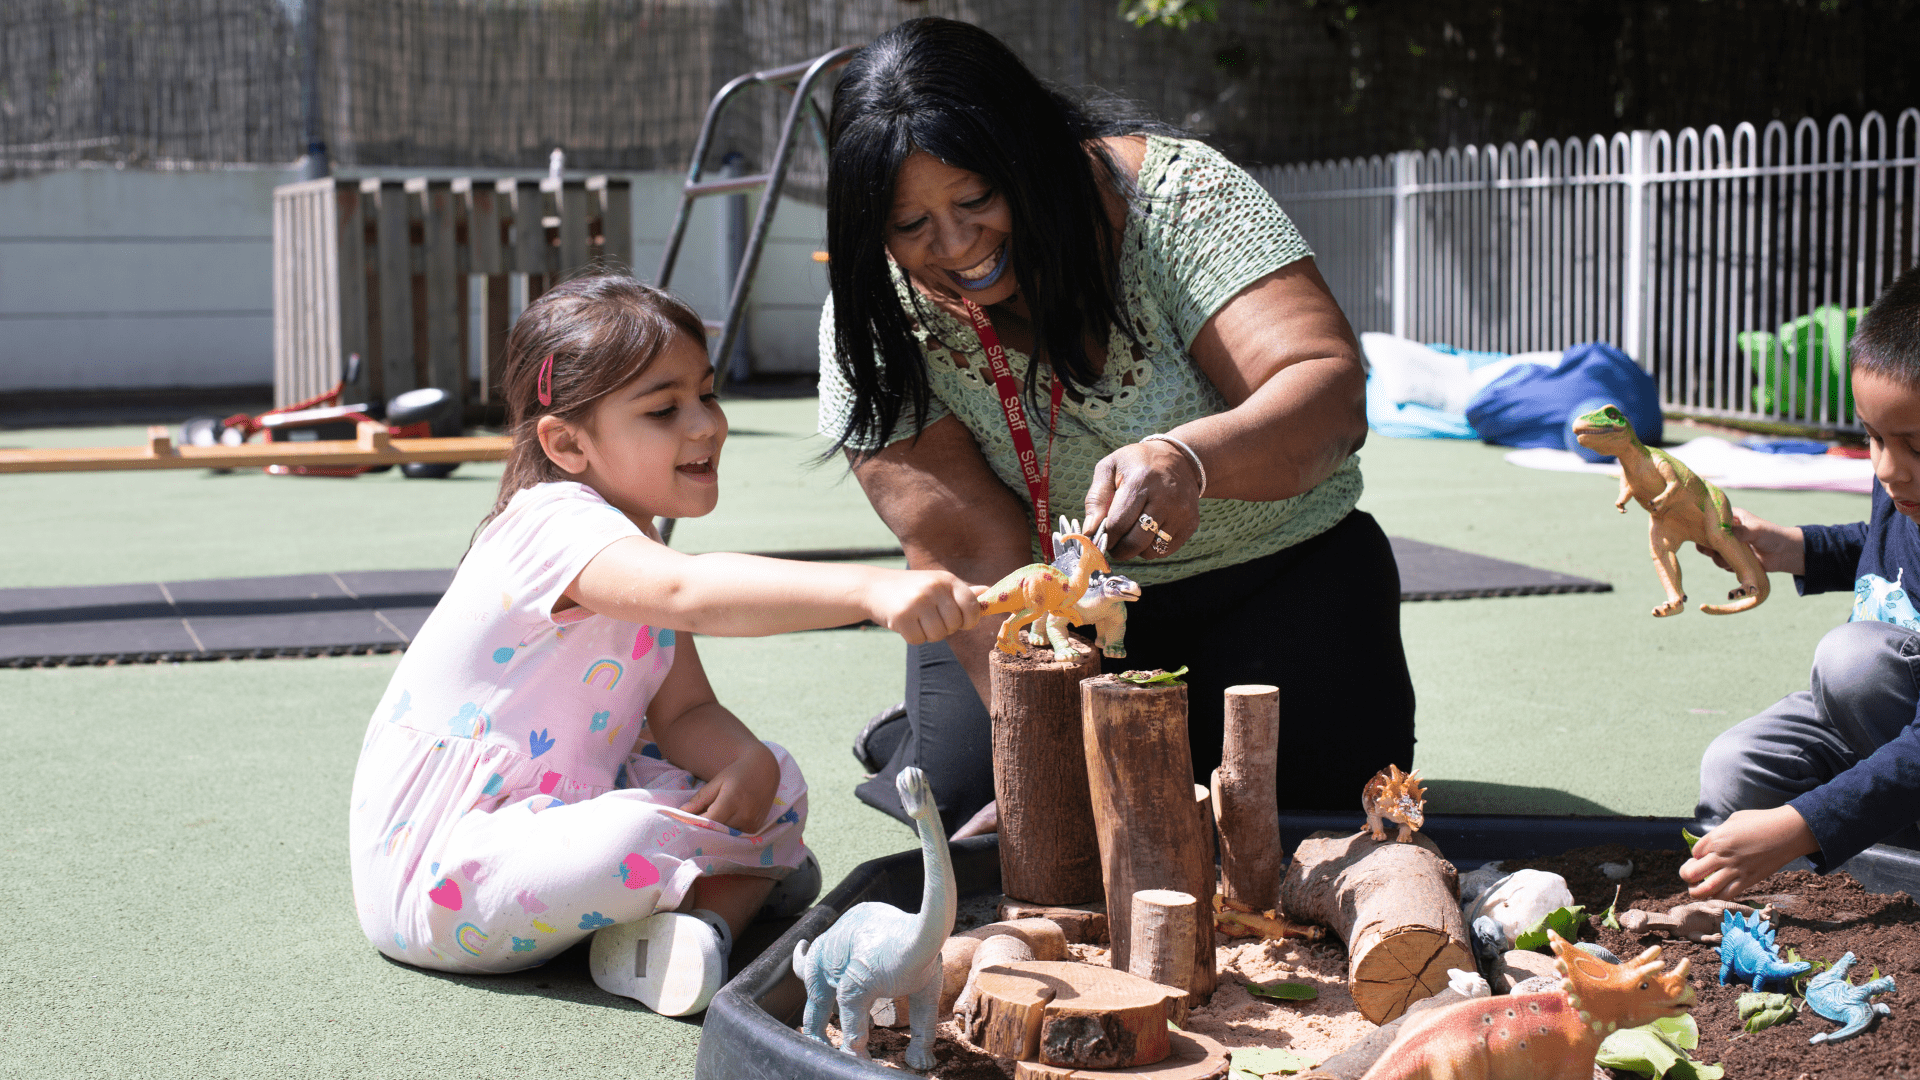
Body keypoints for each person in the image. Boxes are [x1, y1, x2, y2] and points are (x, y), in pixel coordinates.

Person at [816, 17, 1416, 836]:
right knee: (994, 811)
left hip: (1276, 573)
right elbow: (956, 540)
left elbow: (1327, 393)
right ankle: (918, 740)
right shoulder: (874, 311)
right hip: (1048, 615)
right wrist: (1046, 750)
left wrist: (1191, 462)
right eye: (909, 225)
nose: (955, 246)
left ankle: (954, 738)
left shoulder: (1178, 200)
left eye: (977, 199)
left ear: (1031, 155)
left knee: (1292, 817)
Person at [348, 274, 981, 1016]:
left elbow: (684, 712)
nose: (706, 425)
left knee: (771, 776)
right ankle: (733, 877)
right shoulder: (551, 523)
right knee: (633, 833)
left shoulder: (633, 541)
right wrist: (869, 591)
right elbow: (691, 593)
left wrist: (740, 761)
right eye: (663, 409)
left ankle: (698, 929)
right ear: (566, 444)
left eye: (706, 395)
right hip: (443, 879)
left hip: (552, 836)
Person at [1684, 264, 1920, 901]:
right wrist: (1791, 547)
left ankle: (1896, 839)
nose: (1888, 468)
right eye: (1871, 437)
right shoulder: (1904, 483)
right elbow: (1885, 545)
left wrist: (1799, 825)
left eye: (1914, 446)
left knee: (1853, 661)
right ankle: (1871, 832)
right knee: (1733, 768)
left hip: (1906, 733)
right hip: (1874, 726)